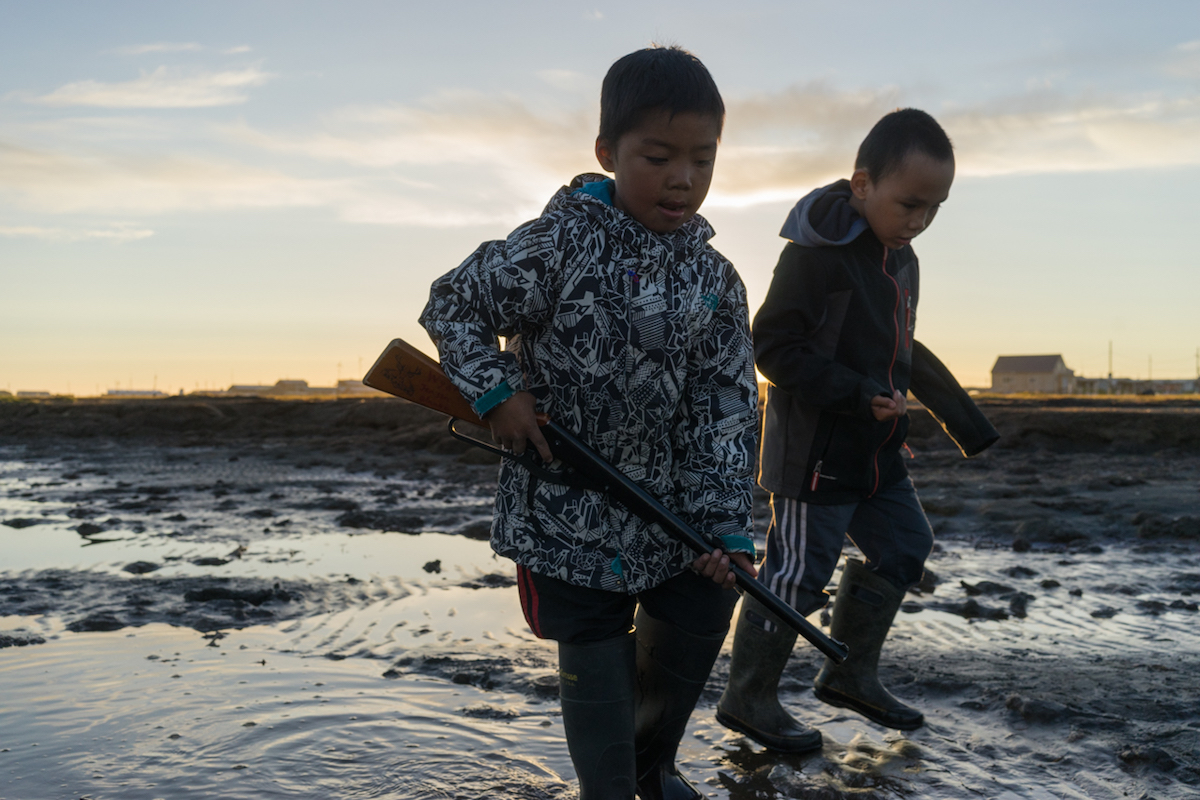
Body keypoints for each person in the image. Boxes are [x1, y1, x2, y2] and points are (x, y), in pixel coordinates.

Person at [419, 45, 759, 800]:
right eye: (659, 156)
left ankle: (653, 767)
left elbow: (727, 405)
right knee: (597, 652)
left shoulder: (715, 279)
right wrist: (497, 393)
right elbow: (453, 304)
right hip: (565, 507)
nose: (684, 178)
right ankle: (608, 788)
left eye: (703, 159)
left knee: (712, 594)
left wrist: (725, 524)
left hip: (671, 513)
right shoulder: (561, 241)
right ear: (608, 152)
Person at [716, 109, 999, 751]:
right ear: (863, 183)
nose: (920, 220)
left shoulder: (904, 263)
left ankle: (850, 674)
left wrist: (967, 423)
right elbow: (772, 347)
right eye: (910, 204)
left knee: (905, 543)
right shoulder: (814, 258)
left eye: (935, 208)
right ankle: (749, 697)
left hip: (876, 456)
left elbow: (905, 350)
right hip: (813, 454)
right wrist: (854, 392)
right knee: (795, 576)